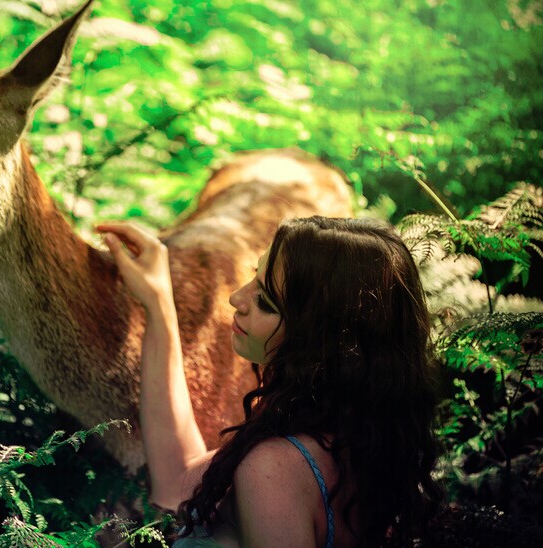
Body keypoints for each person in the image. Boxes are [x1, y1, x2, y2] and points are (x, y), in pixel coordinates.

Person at [95, 216, 443, 548]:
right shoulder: (358, 441)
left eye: (264, 300)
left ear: (318, 339)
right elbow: (178, 481)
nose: (236, 298)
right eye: (254, 277)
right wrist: (158, 304)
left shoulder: (272, 469)